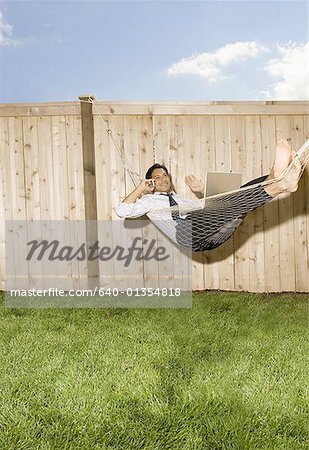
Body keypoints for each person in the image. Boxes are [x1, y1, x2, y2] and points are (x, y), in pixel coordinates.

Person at [116, 139, 303, 251]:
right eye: (158, 177)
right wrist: (141, 188)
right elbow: (122, 210)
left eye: (165, 175)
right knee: (233, 202)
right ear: (151, 183)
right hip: (187, 236)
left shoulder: (181, 199)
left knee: (238, 196)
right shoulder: (149, 201)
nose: (164, 179)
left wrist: (201, 192)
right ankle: (280, 183)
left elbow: (210, 207)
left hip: (213, 236)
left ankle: (275, 177)